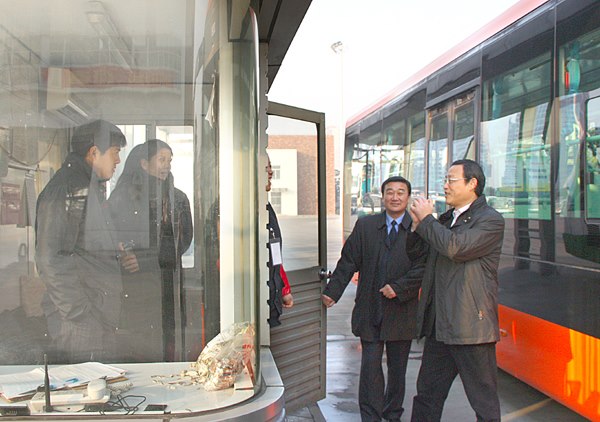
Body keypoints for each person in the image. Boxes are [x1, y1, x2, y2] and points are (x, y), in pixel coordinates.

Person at [322, 175, 427, 422]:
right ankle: (370, 416)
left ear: (408, 197)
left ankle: (392, 413)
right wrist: (332, 291)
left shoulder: (418, 228)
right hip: (370, 309)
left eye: (400, 192)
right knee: (370, 367)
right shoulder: (366, 226)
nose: (395, 197)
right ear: (383, 196)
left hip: (402, 311)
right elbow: (349, 261)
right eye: (390, 192)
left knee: (397, 370)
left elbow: (423, 267)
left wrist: (399, 288)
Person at [408, 159, 505, 422]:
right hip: (439, 326)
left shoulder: (490, 220)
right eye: (445, 180)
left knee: (483, 404)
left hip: (470, 327)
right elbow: (417, 255)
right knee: (426, 397)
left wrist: (427, 221)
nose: (445, 186)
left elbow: (456, 248)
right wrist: (417, 227)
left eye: (451, 180)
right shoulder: (446, 219)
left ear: (472, 183)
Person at [35, 119, 137, 363]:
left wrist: (114, 250)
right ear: (94, 153)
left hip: (95, 312)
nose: (118, 160)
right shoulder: (69, 189)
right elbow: (50, 258)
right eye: (115, 152)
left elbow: (82, 245)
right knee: (80, 383)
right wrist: (80, 313)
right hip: (80, 321)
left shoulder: (88, 187)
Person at [109, 139, 193, 361]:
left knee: (168, 340)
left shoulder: (178, 198)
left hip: (167, 282)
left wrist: (146, 260)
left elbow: (183, 241)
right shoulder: (121, 196)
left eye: (169, 160)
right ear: (144, 164)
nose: (167, 165)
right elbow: (107, 234)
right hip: (133, 286)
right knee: (137, 343)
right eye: (161, 159)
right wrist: (119, 249)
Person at [266, 156, 293, 327]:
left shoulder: (267, 208)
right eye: (266, 167)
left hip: (270, 302)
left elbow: (274, 253)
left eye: (270, 167)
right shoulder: (238, 209)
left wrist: (284, 289)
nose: (271, 172)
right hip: (253, 302)